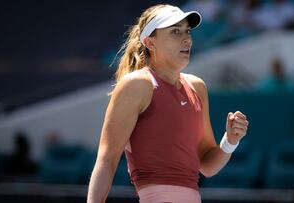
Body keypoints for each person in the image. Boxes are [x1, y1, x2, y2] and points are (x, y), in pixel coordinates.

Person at [87, 4, 249, 203]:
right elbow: (106, 161)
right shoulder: (136, 85)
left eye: (187, 31)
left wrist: (230, 140)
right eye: (175, 31)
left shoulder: (197, 87)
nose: (186, 38)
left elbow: (207, 165)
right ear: (150, 43)